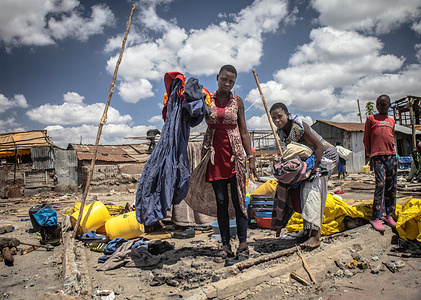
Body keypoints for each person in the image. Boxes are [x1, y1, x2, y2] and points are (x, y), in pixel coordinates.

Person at [203, 64, 258, 263]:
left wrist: (250, 157)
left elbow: (243, 131)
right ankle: (225, 245)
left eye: (231, 81)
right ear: (217, 77)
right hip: (214, 155)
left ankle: (243, 244)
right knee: (221, 202)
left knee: (238, 200)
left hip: (235, 155)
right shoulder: (207, 99)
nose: (227, 83)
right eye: (224, 79)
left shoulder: (238, 101)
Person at [270, 103, 338, 248]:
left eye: (280, 116)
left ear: (287, 115)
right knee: (301, 193)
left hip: (324, 156)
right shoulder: (282, 132)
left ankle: (315, 236)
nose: (277, 120)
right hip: (310, 160)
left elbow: (319, 147)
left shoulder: (299, 126)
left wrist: (313, 169)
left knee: (312, 191)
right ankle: (307, 231)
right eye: (274, 118)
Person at [363, 94, 397, 232]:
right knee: (380, 184)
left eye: (383, 104)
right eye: (378, 104)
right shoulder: (371, 119)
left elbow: (391, 136)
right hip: (377, 156)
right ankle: (376, 217)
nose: (380, 107)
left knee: (391, 186)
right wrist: (370, 153)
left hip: (392, 156)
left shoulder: (391, 121)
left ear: (389, 105)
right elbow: (367, 138)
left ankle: (388, 214)